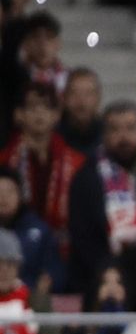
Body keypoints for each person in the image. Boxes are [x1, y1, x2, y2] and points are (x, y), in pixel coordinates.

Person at [66, 100, 136, 296]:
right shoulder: (87, 177)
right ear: (104, 135)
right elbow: (83, 238)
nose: (124, 136)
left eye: (131, 128)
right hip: (108, 279)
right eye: (115, 129)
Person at [2, 81, 83, 237]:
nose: (39, 113)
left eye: (47, 107)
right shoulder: (5, 161)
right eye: (32, 107)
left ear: (57, 115)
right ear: (18, 114)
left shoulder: (77, 163)